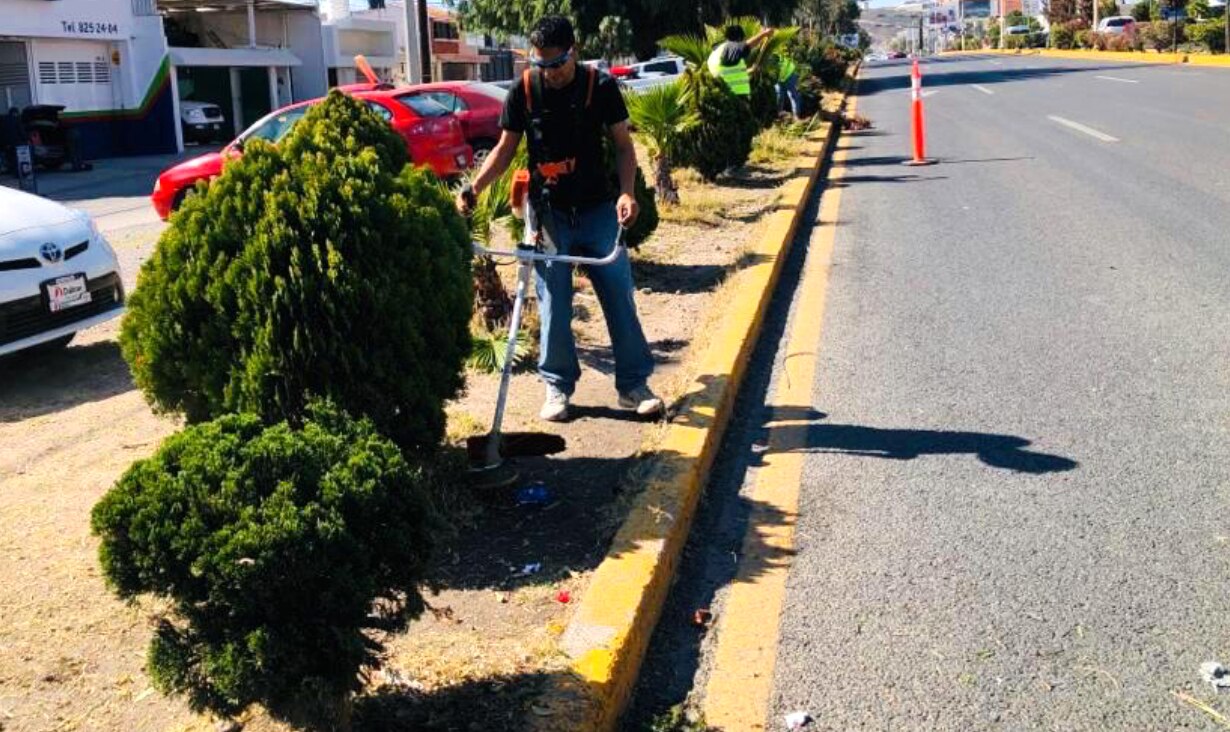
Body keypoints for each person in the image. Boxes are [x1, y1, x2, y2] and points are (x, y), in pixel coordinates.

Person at [456, 15, 663, 423]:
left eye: (557, 63)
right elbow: (504, 148)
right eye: (541, 64)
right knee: (554, 304)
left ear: (575, 52)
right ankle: (557, 387)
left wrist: (627, 193)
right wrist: (474, 188)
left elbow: (623, 146)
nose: (549, 73)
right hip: (549, 214)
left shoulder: (599, 87)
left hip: (597, 209)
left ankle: (634, 385)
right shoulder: (525, 90)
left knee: (618, 294)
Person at [707, 24, 775, 97]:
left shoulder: (719, 49)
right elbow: (746, 46)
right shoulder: (731, 46)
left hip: (721, 87)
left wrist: (750, 70)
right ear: (739, 38)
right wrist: (764, 34)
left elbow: (727, 72)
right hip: (729, 90)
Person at [775, 52, 802, 119]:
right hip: (779, 77)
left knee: (793, 95)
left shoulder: (773, 54)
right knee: (779, 95)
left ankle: (796, 116)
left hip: (789, 73)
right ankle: (779, 114)